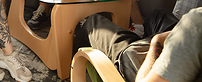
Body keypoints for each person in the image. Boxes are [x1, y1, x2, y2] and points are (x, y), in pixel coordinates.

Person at [73, 8, 202, 82]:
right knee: (158, 15)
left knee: (93, 22)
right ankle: (139, 35)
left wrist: (155, 42)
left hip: (139, 65)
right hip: (182, 59)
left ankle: (70, 68)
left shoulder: (196, 21)